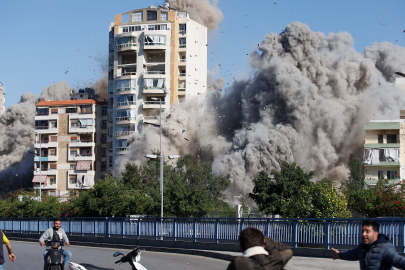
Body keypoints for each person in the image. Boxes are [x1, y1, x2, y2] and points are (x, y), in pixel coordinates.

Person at [332, 219, 405, 270]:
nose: (364, 234)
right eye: (363, 231)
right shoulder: (362, 248)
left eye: (367, 231)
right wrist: (339, 254)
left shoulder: (385, 248)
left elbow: (397, 260)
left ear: (376, 234)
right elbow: (350, 254)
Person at [227, 227, 293, 270]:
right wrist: (264, 238)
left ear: (241, 248)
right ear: (264, 246)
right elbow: (287, 250)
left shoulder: (237, 264)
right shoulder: (275, 260)